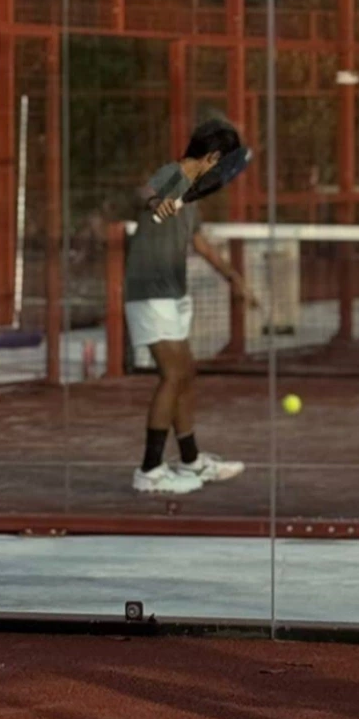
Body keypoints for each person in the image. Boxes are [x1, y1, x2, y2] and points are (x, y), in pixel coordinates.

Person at [126, 118, 257, 494]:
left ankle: (190, 461)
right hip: (150, 291)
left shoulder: (192, 194)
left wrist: (234, 278)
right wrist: (155, 201)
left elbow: (199, 244)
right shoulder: (172, 174)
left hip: (173, 293)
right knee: (172, 375)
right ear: (213, 157)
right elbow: (144, 192)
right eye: (225, 162)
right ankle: (149, 471)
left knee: (185, 374)